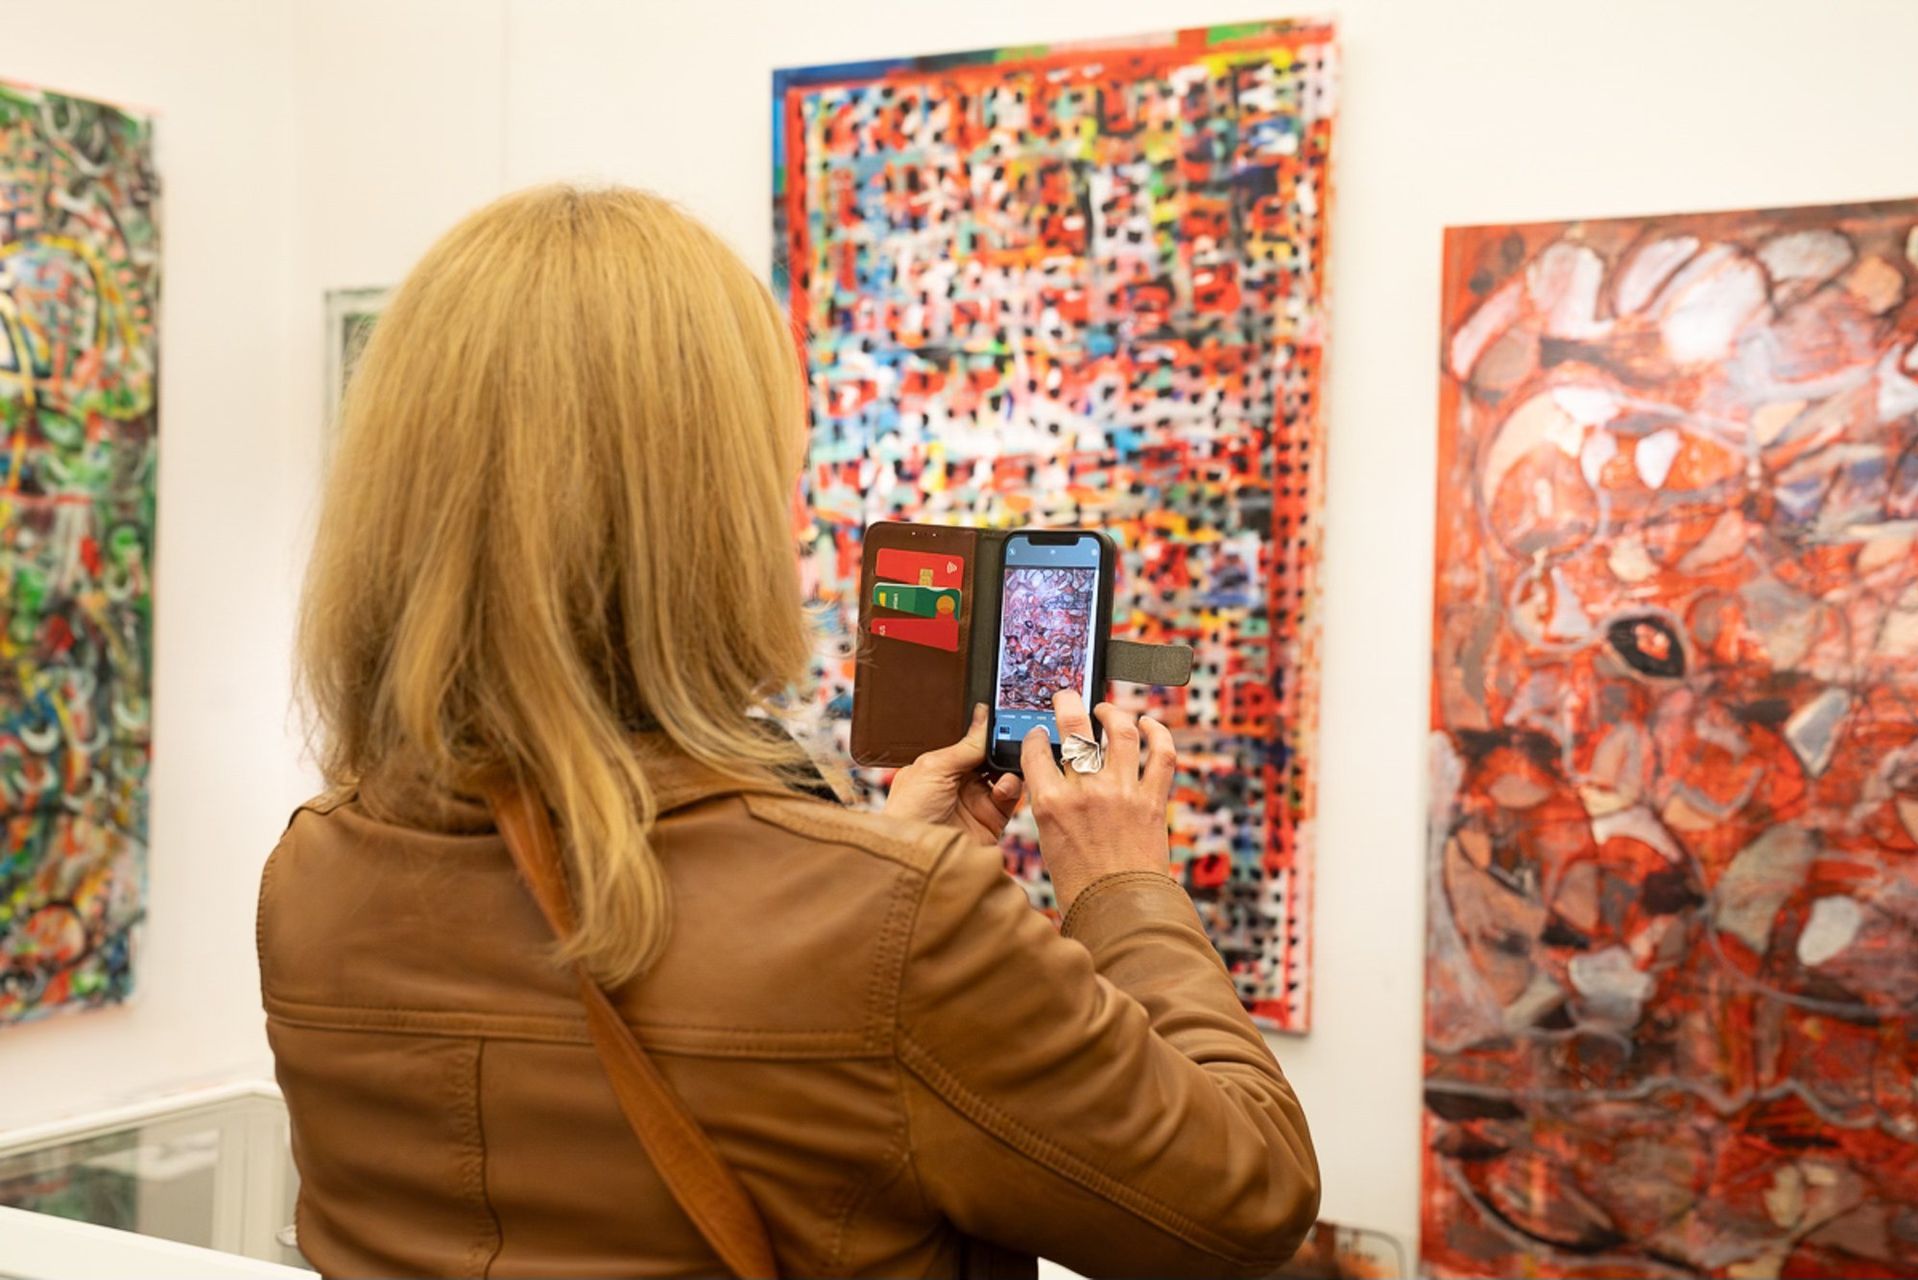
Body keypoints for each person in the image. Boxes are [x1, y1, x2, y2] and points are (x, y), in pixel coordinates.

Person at [260, 184, 1318, 1279]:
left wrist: (878, 868)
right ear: (718, 516)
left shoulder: (312, 871)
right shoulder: (897, 926)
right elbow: (1249, 1198)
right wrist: (1121, 884)